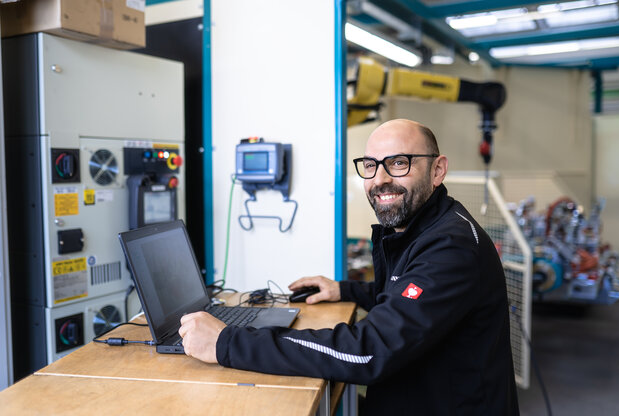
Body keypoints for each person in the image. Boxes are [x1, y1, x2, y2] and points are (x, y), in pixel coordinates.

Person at [179, 119, 519, 415]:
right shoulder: (423, 229)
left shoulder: (452, 246)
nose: (380, 179)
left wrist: (227, 343)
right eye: (371, 165)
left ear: (437, 170)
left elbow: (370, 350)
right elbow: (409, 296)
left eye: (398, 163)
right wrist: (344, 290)